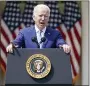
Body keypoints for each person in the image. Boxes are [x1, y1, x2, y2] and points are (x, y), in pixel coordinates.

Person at [6, 4, 71, 53]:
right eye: (40, 16)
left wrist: (64, 45)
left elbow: (60, 42)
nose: (43, 19)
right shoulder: (24, 32)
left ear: (48, 18)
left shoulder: (55, 33)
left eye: (46, 16)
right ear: (34, 17)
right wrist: (12, 45)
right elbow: (17, 42)